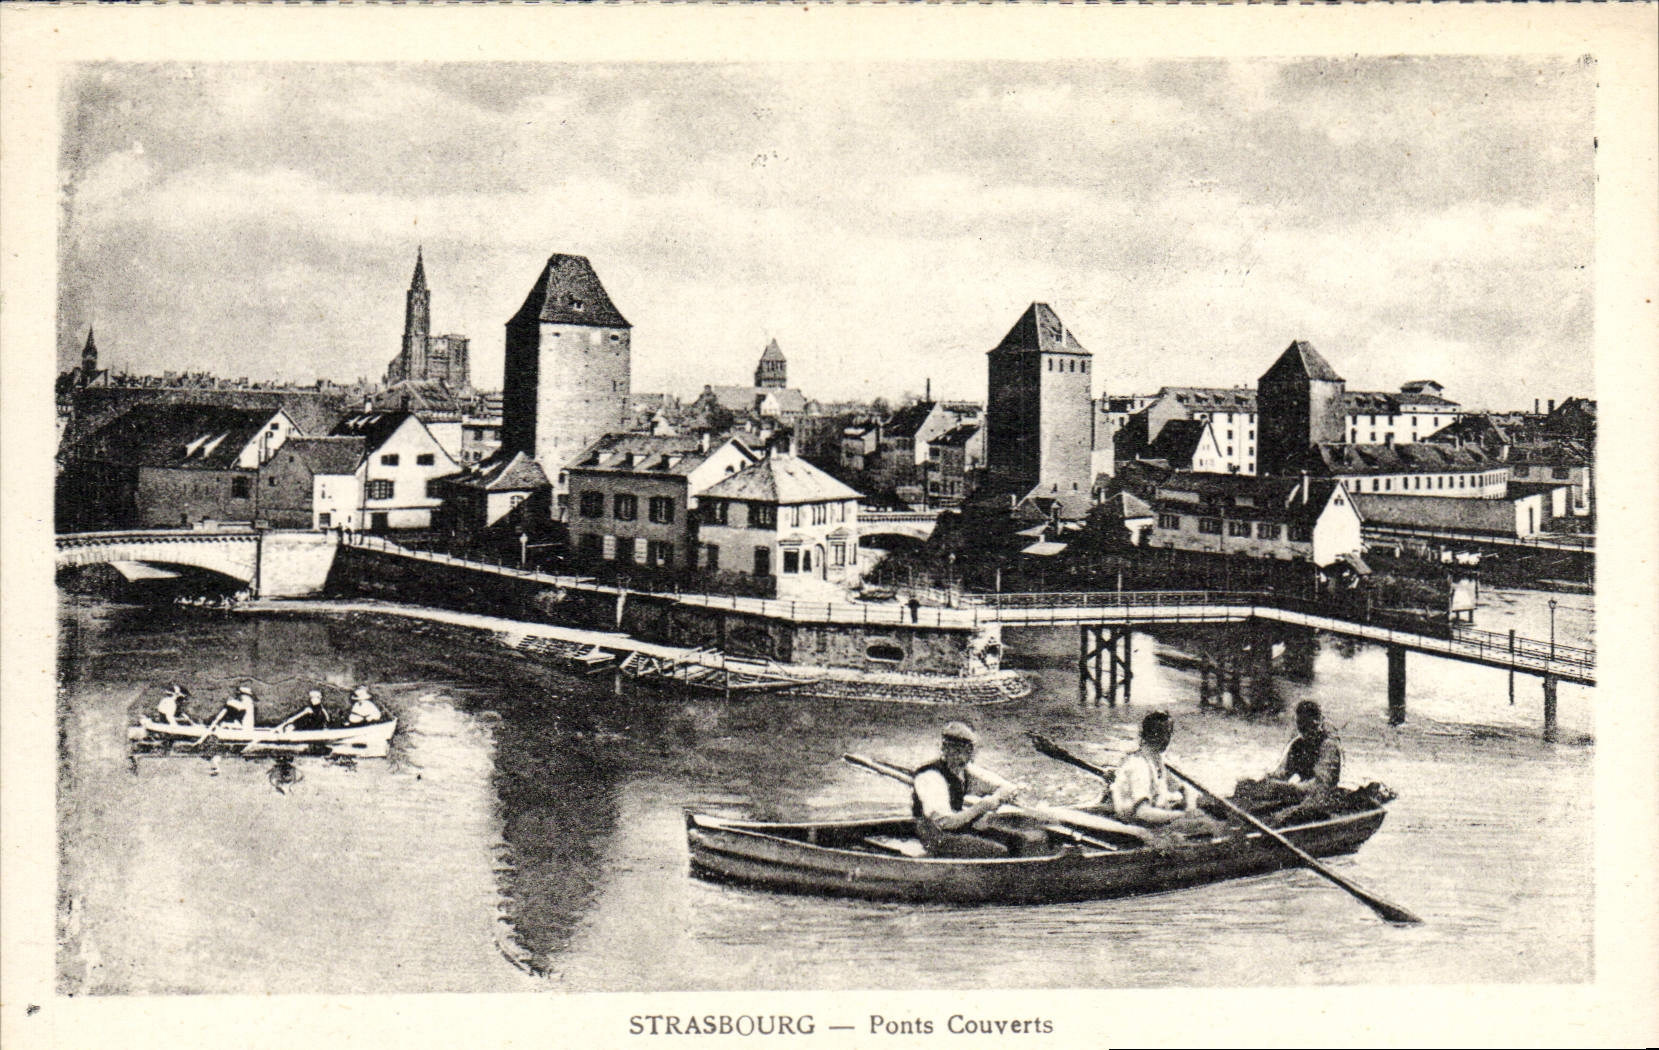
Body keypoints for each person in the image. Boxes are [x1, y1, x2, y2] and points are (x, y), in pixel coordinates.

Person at [911, 722, 1049, 858]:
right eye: (957, 750)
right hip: (937, 837)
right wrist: (982, 806)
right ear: (944, 748)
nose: (962, 758)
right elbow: (946, 823)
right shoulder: (930, 776)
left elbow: (1006, 787)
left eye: (968, 751)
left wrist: (999, 796)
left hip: (957, 829)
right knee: (998, 851)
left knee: (1018, 840)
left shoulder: (964, 769)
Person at [1111, 711, 1225, 837]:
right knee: (1210, 826)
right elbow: (1142, 813)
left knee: (1208, 813)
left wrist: (1190, 807)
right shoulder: (1139, 765)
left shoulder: (1156, 759)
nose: (1168, 739)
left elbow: (1185, 789)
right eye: (1168, 734)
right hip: (1139, 828)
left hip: (1154, 821)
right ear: (1157, 735)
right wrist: (1183, 815)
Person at [1237, 700, 1344, 826]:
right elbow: (1283, 773)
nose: (1305, 731)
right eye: (1301, 725)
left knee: (1280, 819)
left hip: (1324, 800)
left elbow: (1322, 784)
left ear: (1318, 723)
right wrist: (1265, 781)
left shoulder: (1328, 747)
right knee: (1255, 807)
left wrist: (1292, 788)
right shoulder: (1297, 744)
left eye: (1309, 725)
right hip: (1302, 796)